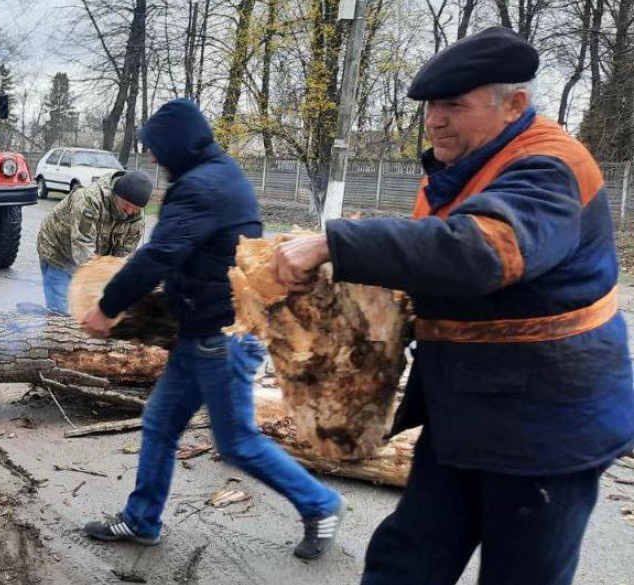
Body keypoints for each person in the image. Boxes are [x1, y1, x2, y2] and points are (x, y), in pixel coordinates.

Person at [272, 27, 634, 585]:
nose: (433, 119)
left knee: (523, 572)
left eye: (452, 105)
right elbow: (432, 269)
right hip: (468, 407)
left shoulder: (550, 167)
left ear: (513, 104)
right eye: (430, 106)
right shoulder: (461, 168)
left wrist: (335, 243)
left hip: (548, 422)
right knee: (406, 558)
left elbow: (481, 253)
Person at [79, 98, 345, 559]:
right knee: (160, 424)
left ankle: (321, 504)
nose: (155, 159)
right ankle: (142, 519)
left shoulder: (204, 186)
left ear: (178, 145)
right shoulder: (211, 175)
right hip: (201, 332)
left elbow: (160, 254)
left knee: (237, 441)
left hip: (223, 336)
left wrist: (107, 307)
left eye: (158, 149)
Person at [36, 170, 150, 314]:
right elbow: (82, 245)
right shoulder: (89, 199)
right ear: (116, 194)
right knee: (60, 314)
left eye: (135, 208)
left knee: (94, 310)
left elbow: (123, 256)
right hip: (58, 252)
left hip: (94, 258)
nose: (129, 211)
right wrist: (96, 283)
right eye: (126, 204)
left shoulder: (137, 220)